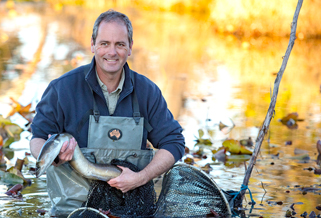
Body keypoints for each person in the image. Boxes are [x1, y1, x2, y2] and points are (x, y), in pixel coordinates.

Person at [29, 9, 185, 217]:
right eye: (104, 43)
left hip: (131, 209)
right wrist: (56, 156)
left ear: (130, 47)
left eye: (119, 44)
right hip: (73, 210)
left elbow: (174, 142)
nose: (112, 52)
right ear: (92, 44)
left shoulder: (147, 91)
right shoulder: (61, 88)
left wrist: (141, 178)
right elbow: (38, 139)